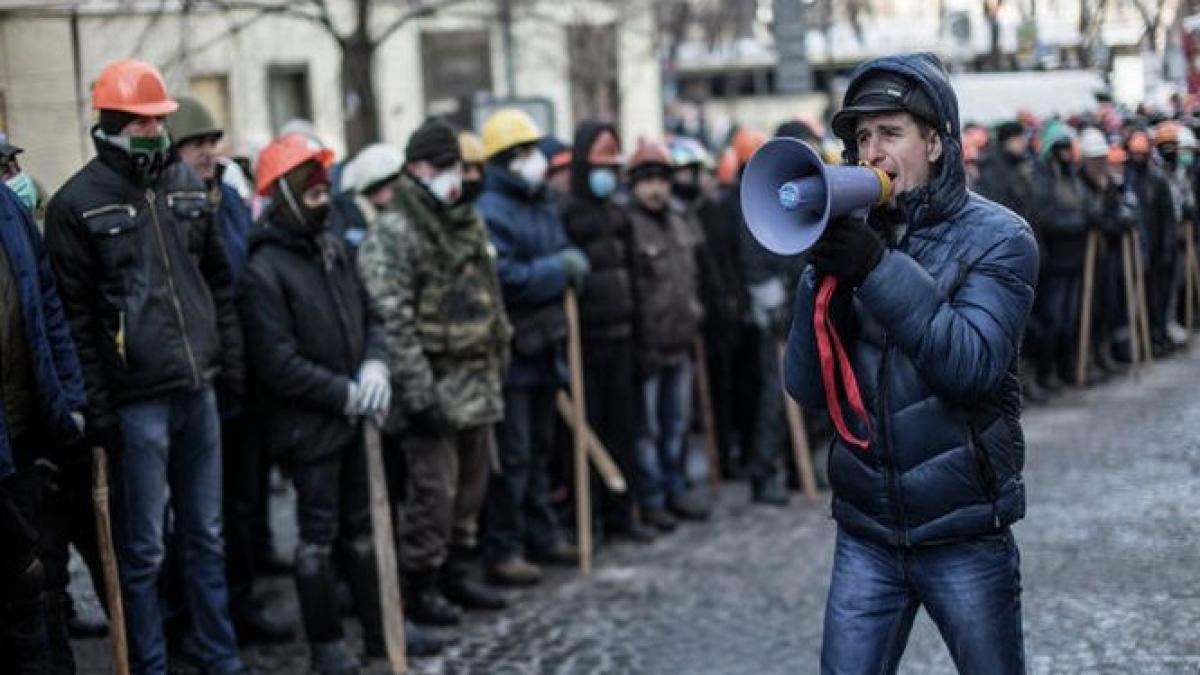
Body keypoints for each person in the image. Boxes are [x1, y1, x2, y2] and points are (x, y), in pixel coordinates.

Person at [785, 53, 1037, 673]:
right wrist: (821, 284)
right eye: (862, 137)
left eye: (890, 133)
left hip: (964, 531)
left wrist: (876, 269)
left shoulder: (1001, 240)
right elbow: (805, 387)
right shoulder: (854, 236)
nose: (872, 153)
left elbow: (969, 365)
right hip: (867, 532)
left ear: (935, 142)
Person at [43, 59, 249, 675]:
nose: (155, 132)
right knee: (142, 549)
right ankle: (150, 664)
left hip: (198, 388)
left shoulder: (185, 184)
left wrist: (228, 367)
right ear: (112, 123)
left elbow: (218, 282)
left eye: (158, 121)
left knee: (206, 538)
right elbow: (74, 319)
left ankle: (220, 656)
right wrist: (98, 409)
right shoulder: (78, 205)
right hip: (137, 403)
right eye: (142, 122)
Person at [238, 133, 443, 672]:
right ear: (283, 199)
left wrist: (376, 363)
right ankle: (326, 644)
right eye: (311, 195)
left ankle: (382, 633)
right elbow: (276, 362)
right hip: (309, 428)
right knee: (317, 539)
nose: (324, 201)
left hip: (355, 420)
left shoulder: (335, 248)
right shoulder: (263, 271)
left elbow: (372, 315)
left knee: (367, 530)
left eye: (326, 191)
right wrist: (343, 393)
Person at [357, 117, 512, 626]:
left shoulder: (465, 218)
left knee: (472, 488)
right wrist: (420, 394)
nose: (455, 177)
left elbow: (489, 293)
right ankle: (420, 583)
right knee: (434, 495)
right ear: (417, 168)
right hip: (432, 387)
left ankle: (459, 572)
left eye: (458, 166)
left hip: (477, 378)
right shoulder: (394, 231)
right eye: (444, 166)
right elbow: (392, 318)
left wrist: (499, 352)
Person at [165, 95, 293, 648]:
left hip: (242, 372)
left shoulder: (229, 199)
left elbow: (241, 274)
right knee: (194, 512)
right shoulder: (171, 204)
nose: (207, 154)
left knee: (240, 503)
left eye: (211, 144)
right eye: (196, 144)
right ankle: (186, 616)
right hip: (198, 372)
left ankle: (238, 604)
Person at [477, 108, 583, 585]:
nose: (533, 161)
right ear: (502, 161)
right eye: (521, 154)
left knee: (541, 450)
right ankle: (505, 545)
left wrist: (568, 262)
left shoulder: (540, 201)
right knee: (513, 455)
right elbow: (506, 279)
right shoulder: (490, 211)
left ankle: (543, 534)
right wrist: (558, 270)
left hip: (547, 343)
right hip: (514, 349)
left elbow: (558, 247)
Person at [0, 175, 87, 674]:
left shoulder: (10, 212)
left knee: (34, 584)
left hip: (23, 437)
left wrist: (67, 397)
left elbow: (47, 307)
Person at [560, 120, 656, 544]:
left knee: (625, 428)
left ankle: (623, 513)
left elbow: (634, 280)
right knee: (587, 432)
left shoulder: (619, 216)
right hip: (585, 342)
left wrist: (641, 337)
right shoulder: (564, 215)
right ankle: (589, 519)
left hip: (622, 337)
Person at [621, 140, 708, 530]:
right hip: (648, 347)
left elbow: (692, 276)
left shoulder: (680, 220)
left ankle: (676, 489)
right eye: (647, 180)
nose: (656, 188)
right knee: (648, 431)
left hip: (682, 340)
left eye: (661, 179)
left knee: (676, 426)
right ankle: (652, 498)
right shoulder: (628, 225)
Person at [1031, 120, 1087, 390]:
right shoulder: (1043, 177)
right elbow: (1046, 216)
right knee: (1053, 321)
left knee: (1070, 319)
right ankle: (1047, 372)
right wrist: (1077, 223)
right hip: (1054, 261)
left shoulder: (1071, 175)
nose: (1067, 154)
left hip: (1075, 259)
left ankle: (1067, 368)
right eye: (1062, 148)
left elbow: (1084, 205)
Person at [1125, 127, 1178, 356]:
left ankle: (1158, 332)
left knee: (1160, 295)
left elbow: (1167, 217)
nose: (1138, 157)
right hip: (1136, 247)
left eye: (1142, 153)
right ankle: (1143, 338)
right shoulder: (1126, 178)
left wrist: (1167, 247)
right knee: (1141, 296)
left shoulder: (1157, 180)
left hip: (1156, 247)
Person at [329, 143, 402, 256]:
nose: (400, 195)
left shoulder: (390, 218)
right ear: (374, 191)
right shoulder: (344, 219)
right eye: (395, 189)